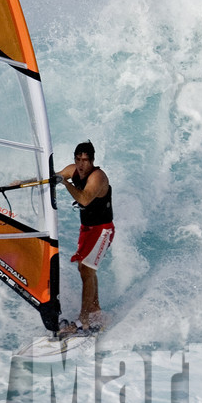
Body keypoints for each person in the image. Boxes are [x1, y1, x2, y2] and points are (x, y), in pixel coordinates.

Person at [53, 141, 113, 337]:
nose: (81, 165)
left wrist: (64, 182)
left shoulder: (98, 177)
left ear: (92, 161)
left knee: (87, 270)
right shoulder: (73, 170)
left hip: (102, 230)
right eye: (78, 160)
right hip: (87, 229)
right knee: (84, 269)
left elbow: (85, 199)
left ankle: (83, 321)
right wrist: (24, 182)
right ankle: (95, 311)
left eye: (85, 160)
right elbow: (53, 176)